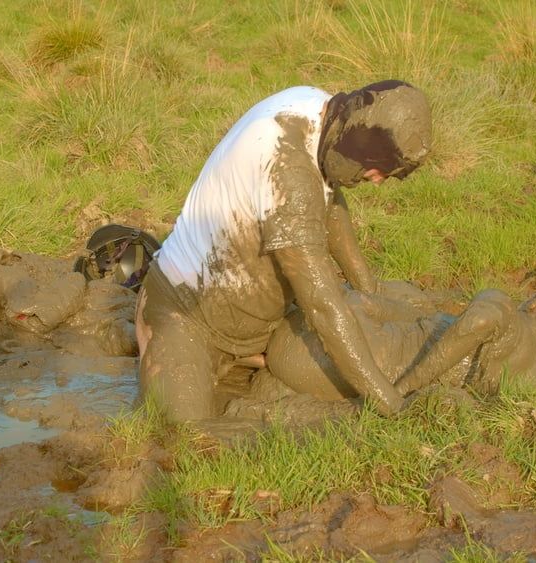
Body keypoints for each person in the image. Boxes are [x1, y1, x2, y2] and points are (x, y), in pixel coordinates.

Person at [134, 80, 433, 422]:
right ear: (356, 139)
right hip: (184, 318)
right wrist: (390, 404)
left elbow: (329, 202)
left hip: (259, 332)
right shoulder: (286, 166)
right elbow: (321, 305)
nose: (378, 179)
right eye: (378, 168)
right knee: (183, 434)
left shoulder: (319, 110)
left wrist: (368, 291)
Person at [266, 275, 536, 401]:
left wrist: (399, 389)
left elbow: (480, 320)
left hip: (328, 351)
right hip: (320, 373)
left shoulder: (512, 319)